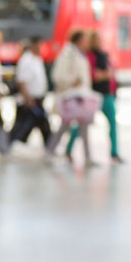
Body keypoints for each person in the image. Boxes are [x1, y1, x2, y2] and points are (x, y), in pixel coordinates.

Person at [65, 31, 123, 163]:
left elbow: (110, 74)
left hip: (107, 94)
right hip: (93, 95)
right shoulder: (88, 56)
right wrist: (104, 75)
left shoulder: (103, 55)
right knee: (82, 124)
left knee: (112, 123)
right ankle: (68, 150)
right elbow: (92, 75)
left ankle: (114, 153)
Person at [46, 30, 100, 167]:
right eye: (85, 39)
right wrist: (72, 81)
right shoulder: (68, 54)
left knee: (84, 126)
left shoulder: (80, 54)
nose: (87, 42)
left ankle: (87, 157)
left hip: (81, 97)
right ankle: (49, 152)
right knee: (64, 126)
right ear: (78, 40)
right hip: (70, 97)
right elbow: (57, 75)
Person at [9, 37, 51, 146]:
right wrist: (28, 98)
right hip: (31, 98)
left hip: (38, 97)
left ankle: (50, 146)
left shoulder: (37, 59)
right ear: (32, 45)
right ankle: (13, 144)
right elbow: (21, 81)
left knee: (41, 124)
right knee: (25, 124)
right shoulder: (26, 60)